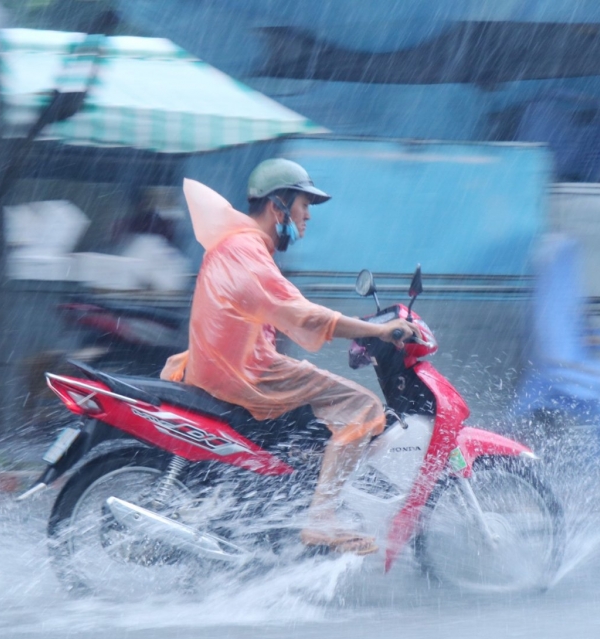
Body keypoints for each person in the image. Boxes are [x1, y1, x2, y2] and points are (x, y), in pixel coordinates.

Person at [161, 159, 415, 555]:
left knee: (316, 404)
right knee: (362, 407)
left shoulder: (236, 245)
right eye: (303, 205)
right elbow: (303, 314)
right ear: (278, 207)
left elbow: (279, 313)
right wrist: (378, 330)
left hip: (219, 366)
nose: (308, 216)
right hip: (247, 373)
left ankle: (298, 491)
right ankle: (322, 520)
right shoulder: (247, 252)